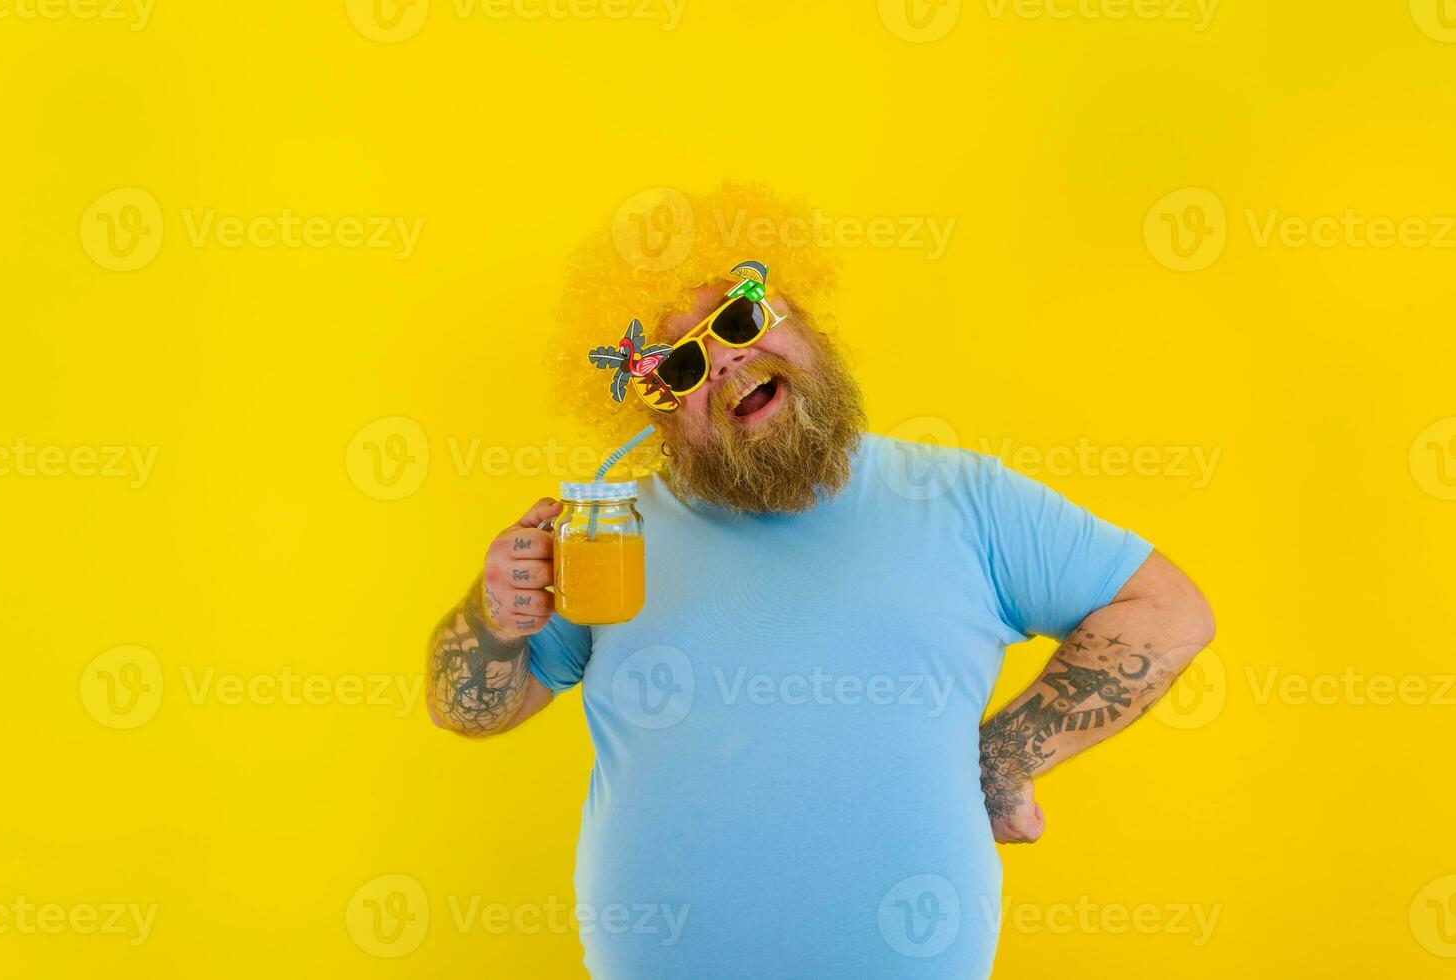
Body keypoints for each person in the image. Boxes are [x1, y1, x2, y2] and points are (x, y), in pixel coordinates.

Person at [426, 192, 1214, 978]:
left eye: (737, 321)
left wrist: (1005, 756)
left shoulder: (963, 499)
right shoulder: (605, 535)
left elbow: (1166, 610)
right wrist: (495, 618)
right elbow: (468, 708)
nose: (728, 361)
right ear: (657, 416)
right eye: (683, 365)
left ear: (799, 317)